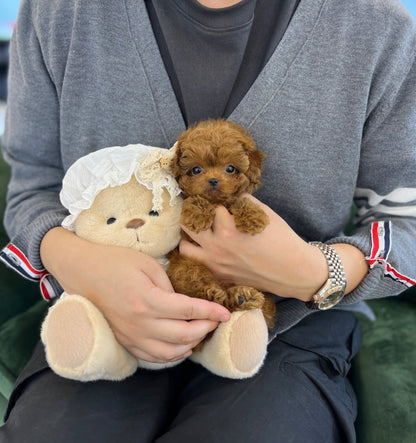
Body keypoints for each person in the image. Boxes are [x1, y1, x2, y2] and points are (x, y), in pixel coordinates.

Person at [0, 0, 415, 441]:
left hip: (283, 324)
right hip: (105, 319)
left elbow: (405, 219)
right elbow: (33, 186)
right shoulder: (59, 12)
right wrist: (80, 263)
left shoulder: (378, 26)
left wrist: (314, 271)